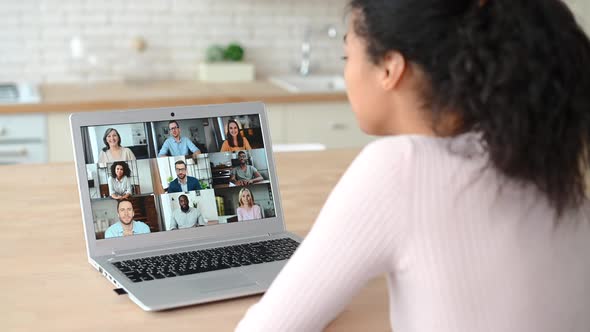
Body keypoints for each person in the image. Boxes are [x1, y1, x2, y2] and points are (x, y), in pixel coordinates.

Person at [237, 1, 590, 331]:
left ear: (390, 68)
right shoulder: (544, 156)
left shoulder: (401, 166)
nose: (346, 72)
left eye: (347, 55)